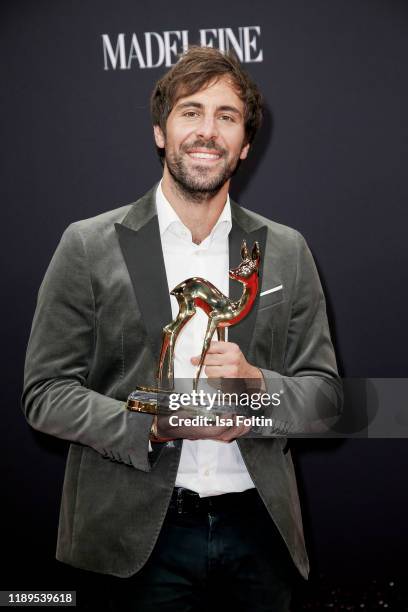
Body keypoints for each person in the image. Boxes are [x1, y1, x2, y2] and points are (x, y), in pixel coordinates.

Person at [22, 46, 342, 611]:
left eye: (226, 116)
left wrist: (256, 387)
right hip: (131, 541)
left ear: (244, 145)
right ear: (160, 132)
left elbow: (325, 398)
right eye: (190, 112)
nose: (207, 131)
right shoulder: (89, 245)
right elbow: (45, 395)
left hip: (260, 536)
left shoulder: (285, 249)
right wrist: (152, 427)